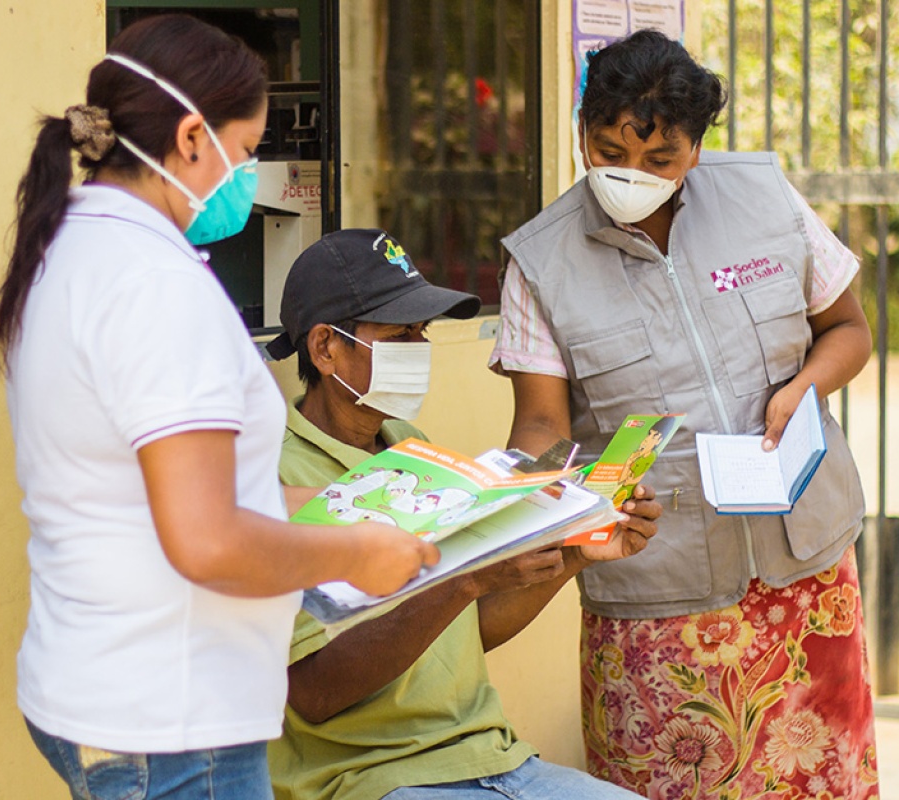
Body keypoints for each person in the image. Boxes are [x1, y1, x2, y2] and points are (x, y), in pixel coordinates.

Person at [0, 16, 437, 800]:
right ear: (193, 137)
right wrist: (359, 555)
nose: (251, 174)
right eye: (248, 149)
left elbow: (159, 491)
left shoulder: (71, 249)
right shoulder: (159, 287)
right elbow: (205, 541)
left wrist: (339, 503)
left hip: (100, 686)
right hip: (172, 721)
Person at [491, 29, 879, 800]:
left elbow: (849, 330)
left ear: (695, 150)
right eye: (607, 150)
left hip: (805, 583)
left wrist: (803, 386)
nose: (630, 174)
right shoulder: (540, 262)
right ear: (581, 131)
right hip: (655, 602)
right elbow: (540, 425)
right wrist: (547, 489)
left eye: (659, 158)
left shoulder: (765, 198)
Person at [264, 228, 662, 800]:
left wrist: (577, 550)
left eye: (423, 332)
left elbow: (463, 635)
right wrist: (465, 580)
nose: (420, 348)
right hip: (374, 779)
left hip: (493, 756)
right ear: (326, 347)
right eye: (400, 334)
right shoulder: (277, 477)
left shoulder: (409, 446)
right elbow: (316, 692)